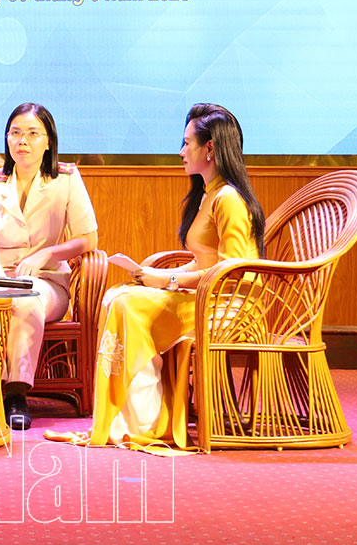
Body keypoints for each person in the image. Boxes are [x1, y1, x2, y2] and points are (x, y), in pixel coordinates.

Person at [59, 103, 265, 450]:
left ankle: (145, 421)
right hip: (206, 295)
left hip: (229, 305)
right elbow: (201, 261)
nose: (181, 151)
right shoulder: (208, 195)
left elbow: (230, 271)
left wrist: (169, 282)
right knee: (119, 294)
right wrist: (155, 274)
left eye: (187, 143)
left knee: (128, 305)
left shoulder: (228, 198)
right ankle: (136, 416)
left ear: (210, 148)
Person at [0, 103, 99, 430]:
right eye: (15, 133)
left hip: (45, 280)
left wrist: (47, 253)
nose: (22, 141)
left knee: (26, 300)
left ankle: (15, 393)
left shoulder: (66, 178)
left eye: (32, 133)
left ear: (48, 141)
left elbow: (88, 239)